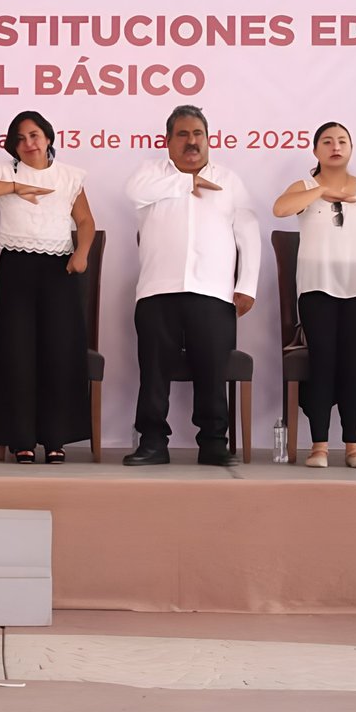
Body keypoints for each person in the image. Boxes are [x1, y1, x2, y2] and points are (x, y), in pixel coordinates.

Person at [124, 104, 259, 467]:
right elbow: (134, 194)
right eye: (182, 134)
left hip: (213, 292)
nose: (191, 141)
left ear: (208, 139)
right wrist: (188, 181)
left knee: (213, 369)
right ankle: (152, 442)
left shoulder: (229, 180)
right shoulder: (149, 174)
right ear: (167, 141)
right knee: (153, 369)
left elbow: (248, 233)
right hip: (157, 289)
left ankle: (214, 443)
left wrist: (247, 284)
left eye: (197, 134)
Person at [0, 110, 94, 463]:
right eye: (20, 139)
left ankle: (56, 439)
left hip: (59, 270)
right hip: (16, 267)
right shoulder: (4, 172)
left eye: (34, 135)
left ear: (48, 137)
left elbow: (85, 221)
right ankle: (19, 438)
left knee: (59, 351)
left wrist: (81, 253)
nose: (28, 143)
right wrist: (14, 187)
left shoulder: (68, 176)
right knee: (16, 351)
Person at [273, 121, 356, 468]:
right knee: (322, 363)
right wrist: (322, 192)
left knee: (351, 365)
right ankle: (320, 445)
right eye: (327, 141)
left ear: (351, 149)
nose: (335, 146)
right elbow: (279, 209)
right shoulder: (305, 186)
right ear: (316, 151)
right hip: (317, 287)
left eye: (342, 141)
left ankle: (354, 446)